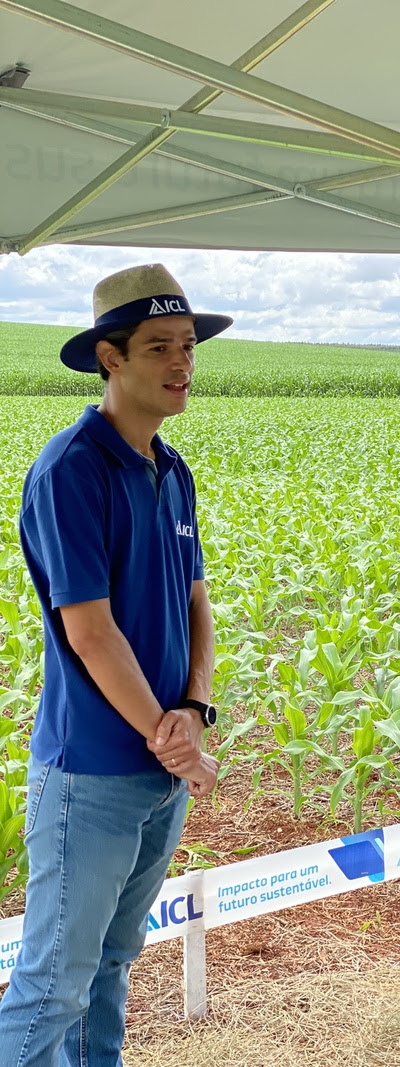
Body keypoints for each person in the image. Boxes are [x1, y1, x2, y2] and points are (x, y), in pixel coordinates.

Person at [0, 263, 231, 1067]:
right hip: (92, 774)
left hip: (159, 770)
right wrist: (170, 740)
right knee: (53, 985)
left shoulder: (173, 472)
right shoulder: (72, 469)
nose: (181, 364)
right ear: (110, 358)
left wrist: (194, 709)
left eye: (189, 347)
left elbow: (198, 601)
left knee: (108, 968)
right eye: (159, 347)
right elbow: (90, 630)